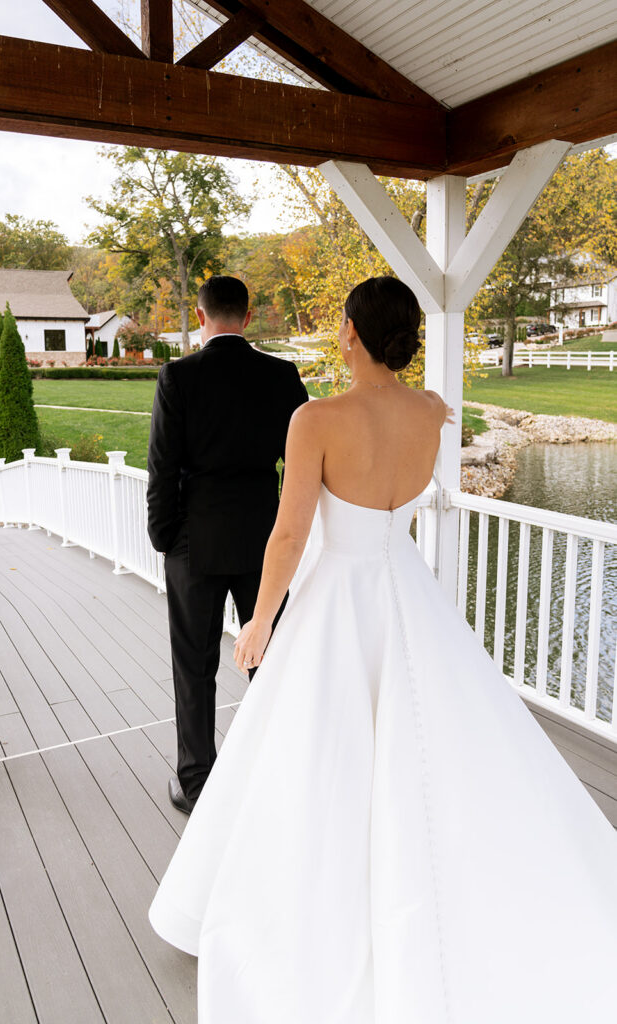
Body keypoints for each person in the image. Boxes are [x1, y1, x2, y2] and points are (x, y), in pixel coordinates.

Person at [149, 275, 617, 1022]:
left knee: (314, 748)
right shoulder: (431, 412)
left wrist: (261, 620)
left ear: (350, 333)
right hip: (407, 585)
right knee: (431, 735)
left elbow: (292, 533)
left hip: (340, 590)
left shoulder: (317, 418)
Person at [146, 274, 309, 814]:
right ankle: (275, 770)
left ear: (200, 316)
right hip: (265, 539)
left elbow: (162, 468)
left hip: (195, 542)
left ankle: (196, 784)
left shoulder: (178, 376)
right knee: (270, 659)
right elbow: (303, 464)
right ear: (248, 314)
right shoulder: (283, 376)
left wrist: (164, 537)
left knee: (193, 666)